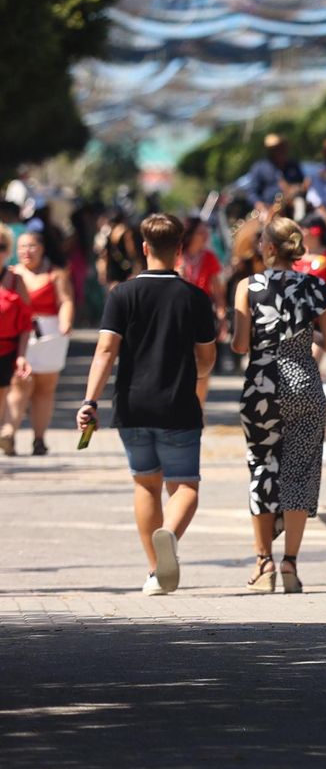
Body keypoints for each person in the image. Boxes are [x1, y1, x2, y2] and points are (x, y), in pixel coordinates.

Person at [74, 213, 217, 595]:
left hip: (132, 405)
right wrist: (199, 375)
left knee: (145, 485)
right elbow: (206, 359)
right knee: (185, 486)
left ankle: (156, 573)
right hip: (177, 405)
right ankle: (168, 534)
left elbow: (106, 350)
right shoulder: (195, 297)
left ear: (143, 248)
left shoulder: (121, 294)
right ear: (180, 249)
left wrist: (90, 400)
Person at [232, 217, 326, 595]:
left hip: (262, 386)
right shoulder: (315, 286)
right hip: (305, 384)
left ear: (270, 248)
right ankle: (291, 564)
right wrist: (301, 334)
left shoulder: (248, 287)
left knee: (262, 467)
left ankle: (263, 565)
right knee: (300, 473)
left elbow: (240, 345)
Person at [6, 231, 74, 456]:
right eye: (22, 247)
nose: (27, 251)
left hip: (50, 334)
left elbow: (66, 301)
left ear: (42, 248)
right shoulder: (11, 274)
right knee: (19, 383)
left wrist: (65, 324)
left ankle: (39, 438)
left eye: (32, 246)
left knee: (45, 389)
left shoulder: (56, 274)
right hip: (21, 334)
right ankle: (9, 433)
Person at [0, 243, 31, 458]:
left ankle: (7, 433)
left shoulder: (15, 280)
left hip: (7, 347)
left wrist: (21, 355)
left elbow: (25, 322)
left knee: (4, 392)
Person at [240, 133, 308, 219]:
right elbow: (251, 192)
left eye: (281, 147)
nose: (280, 150)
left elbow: (302, 184)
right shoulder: (260, 167)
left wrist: (297, 189)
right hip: (269, 208)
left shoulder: (293, 166)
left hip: (291, 205)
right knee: (264, 222)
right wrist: (259, 204)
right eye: (276, 148)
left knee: (300, 205)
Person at [97, 209, 142, 290]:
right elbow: (131, 251)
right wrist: (137, 267)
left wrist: (102, 273)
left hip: (113, 271)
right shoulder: (125, 231)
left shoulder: (107, 234)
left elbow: (104, 255)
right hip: (126, 271)